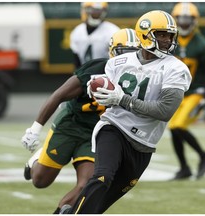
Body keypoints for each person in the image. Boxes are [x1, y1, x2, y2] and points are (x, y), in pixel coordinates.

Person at [61, 10, 191, 214]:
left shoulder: (176, 69)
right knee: (102, 178)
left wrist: (122, 99)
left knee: (100, 204)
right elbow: (102, 92)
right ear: (145, 34)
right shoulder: (118, 62)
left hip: (144, 144)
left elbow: (165, 111)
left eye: (169, 35)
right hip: (114, 127)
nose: (167, 40)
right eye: (161, 34)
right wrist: (95, 90)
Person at [21, 28, 140, 214]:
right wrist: (34, 129)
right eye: (124, 53)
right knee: (40, 181)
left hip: (95, 132)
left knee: (87, 185)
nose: (129, 59)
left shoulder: (140, 79)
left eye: (134, 53)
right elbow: (58, 95)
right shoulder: (96, 69)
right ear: (112, 52)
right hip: (70, 125)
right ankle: (37, 159)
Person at [169, 2, 205, 180]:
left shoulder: (202, 44)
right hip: (178, 92)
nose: (185, 23)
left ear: (195, 21)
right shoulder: (170, 41)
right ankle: (184, 168)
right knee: (173, 129)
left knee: (177, 126)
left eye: (188, 20)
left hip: (195, 91)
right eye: (181, 19)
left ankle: (204, 156)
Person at [70, 2, 120, 68]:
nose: (95, 14)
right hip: (84, 73)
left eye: (98, 11)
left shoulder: (113, 31)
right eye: (92, 10)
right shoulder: (77, 31)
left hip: (106, 73)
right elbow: (77, 62)